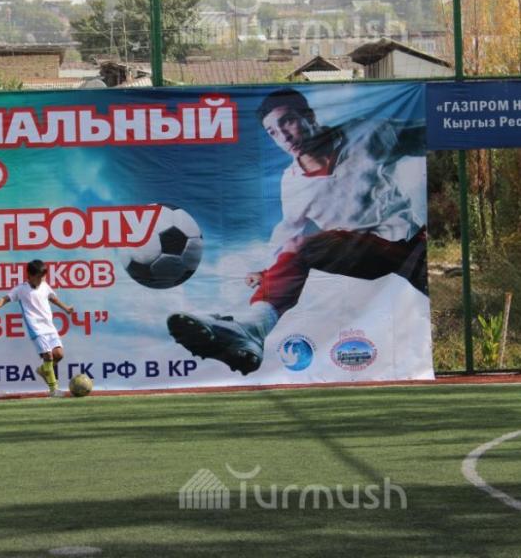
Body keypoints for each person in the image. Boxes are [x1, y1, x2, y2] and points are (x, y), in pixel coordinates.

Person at [168, 87, 428, 375]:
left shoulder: (365, 135)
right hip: (363, 254)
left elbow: (425, 135)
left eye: (288, 122)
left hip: (410, 243)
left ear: (309, 117)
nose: (284, 136)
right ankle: (253, 328)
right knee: (300, 246)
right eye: (272, 132)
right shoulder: (293, 182)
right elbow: (287, 231)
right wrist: (268, 271)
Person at [0, 260, 75, 398]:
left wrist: (65, 308)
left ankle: (43, 370)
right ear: (30, 276)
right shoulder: (21, 289)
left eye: (43, 276)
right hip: (36, 328)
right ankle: (53, 390)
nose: (42, 279)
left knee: (59, 354)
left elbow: (52, 298)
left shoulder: (44, 286)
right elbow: (4, 299)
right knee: (48, 355)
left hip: (49, 326)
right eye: (39, 277)